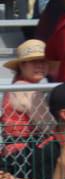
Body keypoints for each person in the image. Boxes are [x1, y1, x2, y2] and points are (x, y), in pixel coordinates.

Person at [3, 40, 55, 170]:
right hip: (27, 152)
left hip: (15, 151)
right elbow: (47, 125)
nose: (40, 65)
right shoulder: (29, 90)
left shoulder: (15, 86)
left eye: (43, 61)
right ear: (22, 65)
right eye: (33, 61)